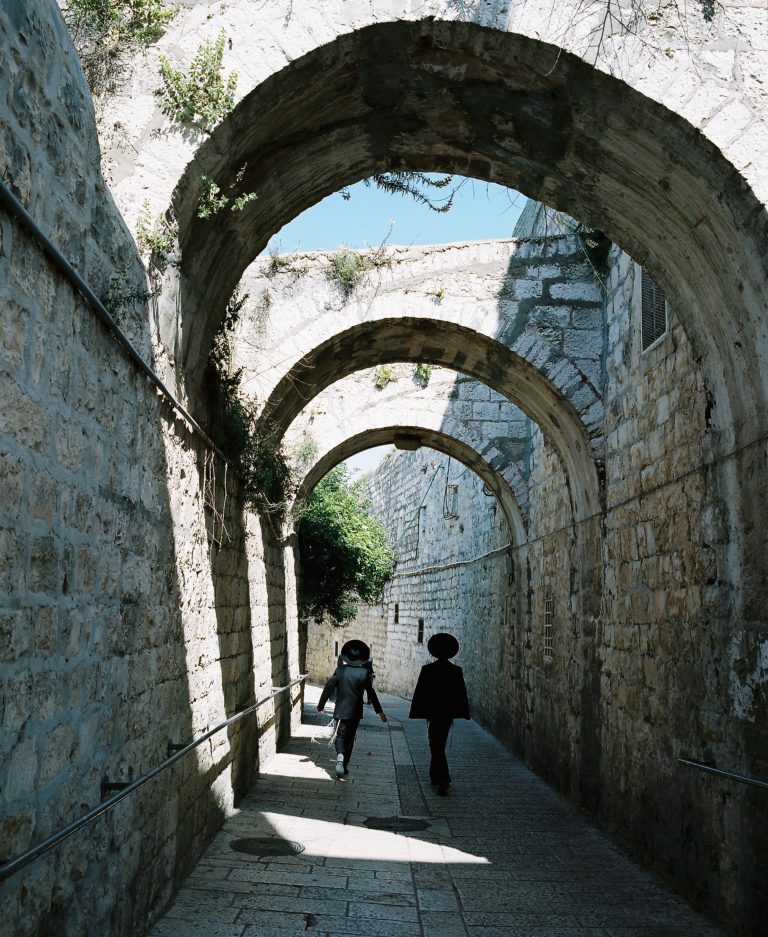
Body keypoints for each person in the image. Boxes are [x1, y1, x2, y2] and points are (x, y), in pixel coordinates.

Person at [409, 632, 469, 795]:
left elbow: (421, 693)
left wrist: (418, 712)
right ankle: (436, 776)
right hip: (447, 714)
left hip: (433, 713)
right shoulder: (455, 671)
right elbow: (461, 693)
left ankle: (443, 778)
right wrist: (463, 712)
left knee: (435, 744)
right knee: (438, 743)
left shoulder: (428, 670)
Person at [317, 639, 387, 779]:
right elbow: (371, 693)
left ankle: (340, 756)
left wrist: (321, 705)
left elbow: (329, 686)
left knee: (341, 735)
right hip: (355, 711)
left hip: (341, 709)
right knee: (350, 737)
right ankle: (345, 765)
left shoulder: (340, 670)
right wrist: (379, 712)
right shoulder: (364, 673)